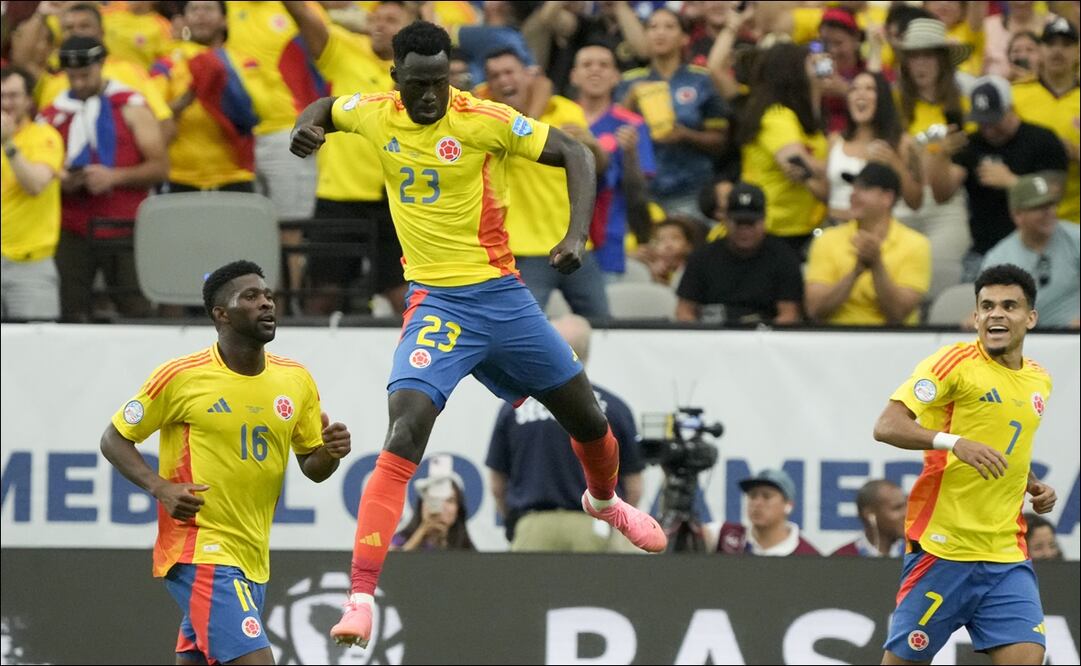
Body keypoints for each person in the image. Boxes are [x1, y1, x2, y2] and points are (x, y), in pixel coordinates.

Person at [288, 20, 667, 649]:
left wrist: (574, 236)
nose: (432, 95)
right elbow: (328, 105)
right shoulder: (375, 113)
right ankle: (360, 595)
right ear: (396, 79)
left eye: (441, 82)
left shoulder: (482, 118)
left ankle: (603, 502)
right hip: (436, 305)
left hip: (503, 298)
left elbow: (575, 152)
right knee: (403, 430)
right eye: (419, 84)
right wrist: (310, 123)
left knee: (589, 421)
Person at [99, 260, 353, 665]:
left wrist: (330, 452)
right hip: (199, 549)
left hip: (252, 556)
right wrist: (160, 487)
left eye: (268, 295)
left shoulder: (296, 379)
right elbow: (114, 439)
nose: (266, 304)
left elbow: (313, 466)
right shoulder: (181, 377)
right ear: (221, 314)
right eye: (250, 297)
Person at [872, 263, 1058, 664]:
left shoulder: (1039, 380)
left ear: (1031, 317)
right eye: (987, 306)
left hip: (1006, 553)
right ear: (975, 316)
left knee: (1029, 657)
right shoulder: (952, 363)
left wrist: (1032, 484)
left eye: (1009, 306)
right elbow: (887, 426)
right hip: (944, 549)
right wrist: (955, 443)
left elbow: (1008, 445)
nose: (996, 314)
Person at [283, 0, 414, 315]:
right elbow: (303, 14)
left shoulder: (422, 71)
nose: (379, 25)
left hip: (396, 198)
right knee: (324, 296)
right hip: (339, 194)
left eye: (392, 19)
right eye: (376, 19)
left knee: (403, 298)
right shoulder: (344, 50)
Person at [486, 315, 645, 552]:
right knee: (592, 589)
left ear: (550, 350)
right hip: (594, 525)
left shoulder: (516, 406)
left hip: (533, 525)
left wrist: (515, 520)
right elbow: (634, 486)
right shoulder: (615, 408)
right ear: (587, 353)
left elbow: (498, 484)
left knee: (528, 589)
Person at [40, 36, 166, 322]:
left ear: (101, 64)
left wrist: (114, 177)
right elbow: (43, 169)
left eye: (85, 74)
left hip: (125, 225)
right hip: (72, 228)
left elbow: (160, 168)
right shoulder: (52, 115)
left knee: (135, 310)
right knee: (71, 310)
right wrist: (64, 182)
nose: (80, 82)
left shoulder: (131, 106)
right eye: (72, 76)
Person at [485, 47, 611, 318]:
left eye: (510, 72)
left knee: (605, 329)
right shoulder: (488, 119)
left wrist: (592, 146)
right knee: (524, 330)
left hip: (575, 244)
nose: (503, 80)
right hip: (522, 250)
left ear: (528, 74)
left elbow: (597, 167)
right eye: (494, 76)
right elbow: (523, 130)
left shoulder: (565, 109)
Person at [927, 74, 1068, 281]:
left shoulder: (1042, 139)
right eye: (982, 122)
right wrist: (941, 156)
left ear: (1010, 108)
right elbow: (942, 194)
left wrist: (1012, 182)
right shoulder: (972, 145)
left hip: (1040, 244)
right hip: (985, 248)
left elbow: (1055, 190)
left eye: (994, 120)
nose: (988, 129)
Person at [618, 7, 728, 219]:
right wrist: (630, 100)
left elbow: (721, 141)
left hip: (693, 189)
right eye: (653, 27)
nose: (660, 33)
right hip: (643, 192)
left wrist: (685, 135)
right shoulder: (629, 82)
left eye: (669, 27)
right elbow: (611, 132)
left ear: (684, 38)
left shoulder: (701, 80)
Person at [805, 163, 931, 326]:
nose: (853, 194)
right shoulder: (827, 239)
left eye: (863, 188)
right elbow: (815, 309)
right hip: (837, 338)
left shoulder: (916, 244)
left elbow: (898, 314)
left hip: (894, 341)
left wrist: (876, 264)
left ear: (887, 197)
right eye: (853, 188)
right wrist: (855, 272)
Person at [571, 42, 655, 280]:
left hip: (608, 236)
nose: (595, 70)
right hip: (559, 232)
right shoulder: (560, 116)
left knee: (601, 312)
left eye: (604, 65)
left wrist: (631, 155)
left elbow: (640, 191)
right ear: (574, 76)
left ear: (616, 76)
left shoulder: (633, 124)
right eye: (587, 65)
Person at [736, 41, 828, 255]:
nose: (819, 69)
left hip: (804, 227)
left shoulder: (807, 118)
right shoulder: (776, 115)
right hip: (773, 230)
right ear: (792, 72)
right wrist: (843, 167)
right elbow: (797, 163)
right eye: (811, 64)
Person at [676, 182, 803, 325]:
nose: (744, 231)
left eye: (751, 223)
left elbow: (788, 315)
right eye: (739, 223)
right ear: (726, 221)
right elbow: (684, 311)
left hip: (764, 338)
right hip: (713, 336)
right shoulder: (702, 257)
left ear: (763, 221)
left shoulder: (784, 258)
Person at [1, 65, 63, 321]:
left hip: (29, 264)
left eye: (13, 95)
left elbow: (36, 185)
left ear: (28, 100)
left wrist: (7, 143)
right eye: (0, 96)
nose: (5, 103)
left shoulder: (45, 137)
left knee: (39, 346)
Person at [981, 174, 1080, 329]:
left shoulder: (1075, 238)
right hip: (1024, 340)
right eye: (1039, 208)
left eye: (1051, 205)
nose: (1049, 212)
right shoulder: (999, 258)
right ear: (1018, 215)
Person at [825, 71, 922, 224]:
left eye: (870, 89)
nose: (860, 94)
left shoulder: (902, 142)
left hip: (882, 234)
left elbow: (915, 201)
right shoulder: (834, 140)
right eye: (854, 89)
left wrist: (894, 162)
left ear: (883, 98)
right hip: (837, 231)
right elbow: (825, 191)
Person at [1011, 17, 1080, 224]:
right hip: (1026, 215)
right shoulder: (1016, 95)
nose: (1058, 51)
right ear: (1040, 51)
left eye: (1066, 45)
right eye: (1050, 44)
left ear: (1078, 52)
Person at [715, 468, 821, 556]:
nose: (757, 503)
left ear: (788, 505)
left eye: (767, 496)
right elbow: (700, 535)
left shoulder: (807, 555)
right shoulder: (726, 534)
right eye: (752, 496)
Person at [392, 454, 476, 552]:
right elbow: (392, 564)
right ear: (422, 505)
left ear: (458, 509)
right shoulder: (400, 539)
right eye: (434, 498)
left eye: (450, 501)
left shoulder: (466, 548)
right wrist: (422, 532)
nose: (442, 506)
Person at [831, 479, 906, 557]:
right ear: (870, 514)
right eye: (897, 508)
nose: (907, 514)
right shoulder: (841, 558)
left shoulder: (917, 559)